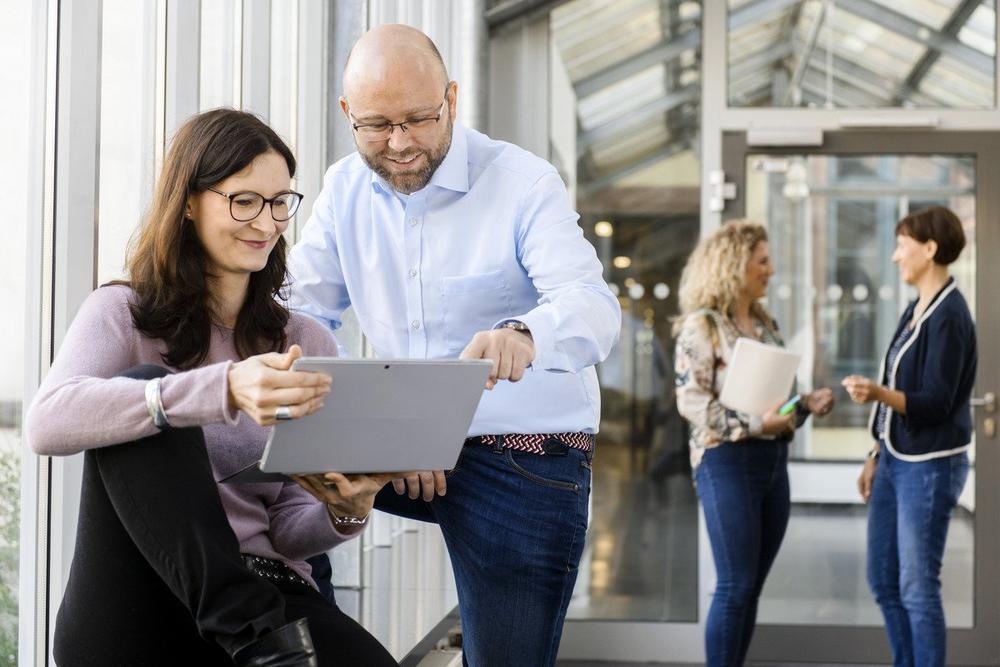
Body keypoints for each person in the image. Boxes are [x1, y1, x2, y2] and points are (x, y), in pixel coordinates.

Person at [287, 23, 620, 667]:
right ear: (347, 113)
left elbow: (592, 306)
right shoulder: (344, 189)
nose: (401, 143)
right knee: (269, 470)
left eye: (419, 119)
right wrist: (401, 429)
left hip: (519, 449)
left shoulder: (523, 182)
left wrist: (526, 334)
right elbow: (300, 313)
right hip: (399, 432)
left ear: (453, 99)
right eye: (377, 125)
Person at [25, 109, 398, 667]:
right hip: (139, 598)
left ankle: (257, 635)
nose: (266, 223)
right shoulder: (121, 312)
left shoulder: (304, 341)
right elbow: (45, 423)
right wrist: (222, 388)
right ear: (189, 203)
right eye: (244, 200)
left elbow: (288, 530)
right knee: (145, 392)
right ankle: (253, 632)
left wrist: (346, 511)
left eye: (279, 202)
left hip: (267, 585)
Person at [673, 220, 834, 667]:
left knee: (750, 588)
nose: (771, 270)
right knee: (735, 586)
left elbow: (779, 398)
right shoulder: (702, 327)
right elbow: (691, 402)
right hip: (725, 461)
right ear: (733, 264)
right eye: (762, 261)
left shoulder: (764, 321)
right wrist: (756, 422)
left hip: (771, 461)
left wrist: (806, 403)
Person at [845, 205, 975, 667]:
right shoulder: (914, 308)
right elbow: (898, 382)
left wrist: (877, 393)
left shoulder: (950, 316)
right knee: (883, 579)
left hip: (930, 466)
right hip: (894, 460)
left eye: (902, 245)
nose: (895, 255)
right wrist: (875, 453)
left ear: (930, 249)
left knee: (918, 587)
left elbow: (936, 401)